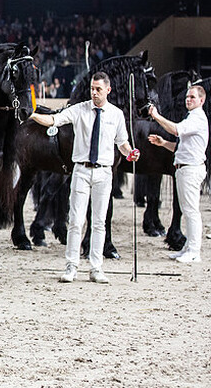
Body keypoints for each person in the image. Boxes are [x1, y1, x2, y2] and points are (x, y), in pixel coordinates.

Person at [29, 72, 140, 284]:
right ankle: (71, 266)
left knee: (99, 222)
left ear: (108, 90)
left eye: (98, 89)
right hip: (80, 170)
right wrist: (33, 115)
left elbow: (122, 143)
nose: (94, 92)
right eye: (92, 88)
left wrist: (130, 153)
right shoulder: (79, 109)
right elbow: (54, 119)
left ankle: (96, 267)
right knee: (76, 220)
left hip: (104, 173)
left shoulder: (116, 115)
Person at [148, 85, 208, 263]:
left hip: (191, 168)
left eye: (192, 97)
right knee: (186, 209)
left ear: (201, 101)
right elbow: (180, 146)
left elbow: (175, 130)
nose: (188, 99)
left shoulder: (197, 118)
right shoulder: (191, 118)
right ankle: (188, 247)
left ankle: (194, 250)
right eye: (187, 97)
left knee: (191, 211)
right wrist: (164, 143)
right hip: (183, 167)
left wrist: (156, 116)